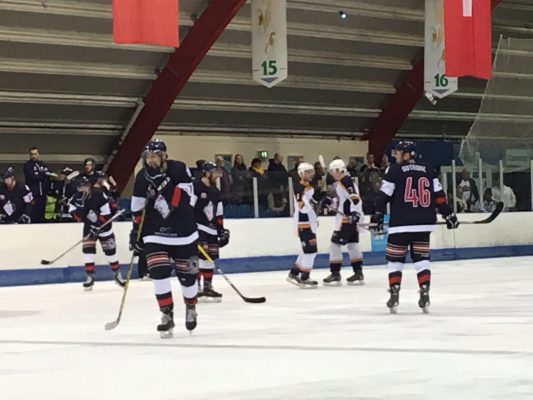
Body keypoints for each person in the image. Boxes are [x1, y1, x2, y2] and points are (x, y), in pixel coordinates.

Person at [372, 140, 458, 314]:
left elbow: (384, 196)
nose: (396, 155)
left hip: (401, 224)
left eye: (398, 152)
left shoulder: (393, 170)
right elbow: (439, 196)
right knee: (421, 260)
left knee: (395, 260)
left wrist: (378, 214)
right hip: (424, 224)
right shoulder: (428, 169)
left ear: (407, 154)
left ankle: (394, 293)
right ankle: (425, 292)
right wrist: (448, 214)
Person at [129, 139, 200, 337]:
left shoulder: (179, 169)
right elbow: (137, 207)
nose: (151, 160)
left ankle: (191, 306)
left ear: (163, 156)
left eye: (155, 156)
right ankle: (166, 315)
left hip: (184, 233)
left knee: (188, 278)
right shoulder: (142, 176)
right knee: (158, 274)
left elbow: (185, 201)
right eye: (148, 157)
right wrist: (135, 232)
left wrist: (162, 182)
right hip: (155, 233)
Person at [69, 176, 125, 290]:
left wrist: (99, 225)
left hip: (104, 227)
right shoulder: (77, 196)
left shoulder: (99, 194)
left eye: (84, 186)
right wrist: (84, 221)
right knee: (88, 250)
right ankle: (90, 277)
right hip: (89, 227)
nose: (82, 189)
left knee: (110, 252)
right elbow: (72, 209)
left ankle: (117, 274)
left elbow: (106, 213)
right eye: (80, 187)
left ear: (88, 185)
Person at [322, 159, 365, 286]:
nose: (332, 174)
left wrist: (355, 214)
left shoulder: (345, 180)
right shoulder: (343, 181)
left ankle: (335, 273)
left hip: (347, 220)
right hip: (351, 218)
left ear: (338, 170)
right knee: (352, 245)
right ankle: (358, 272)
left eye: (333, 171)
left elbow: (355, 199)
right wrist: (330, 202)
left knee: (334, 244)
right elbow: (344, 201)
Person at [194, 160, 230, 302]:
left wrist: (221, 230)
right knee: (198, 259)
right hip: (198, 228)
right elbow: (188, 208)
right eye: (214, 172)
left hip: (212, 230)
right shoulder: (196, 187)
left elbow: (218, 213)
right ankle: (196, 288)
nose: (217, 175)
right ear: (206, 173)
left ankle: (207, 287)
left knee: (210, 259)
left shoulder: (215, 191)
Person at [287, 162, 325, 288]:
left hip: (308, 222)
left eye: (311, 172)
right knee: (310, 251)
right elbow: (301, 206)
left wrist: (321, 196)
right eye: (307, 172)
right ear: (301, 173)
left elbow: (312, 199)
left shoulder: (309, 186)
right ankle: (305, 276)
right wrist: (312, 205)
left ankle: (294, 273)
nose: (310, 174)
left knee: (308, 250)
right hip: (303, 223)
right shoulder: (299, 187)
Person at [23, 147, 50, 223]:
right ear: (29, 155)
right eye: (32, 154)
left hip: (42, 195)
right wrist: (42, 175)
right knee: (33, 214)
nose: (34, 156)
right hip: (32, 195)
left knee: (41, 214)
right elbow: (32, 177)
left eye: (35, 154)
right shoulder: (27, 165)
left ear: (38, 154)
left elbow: (49, 173)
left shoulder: (42, 164)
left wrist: (42, 175)